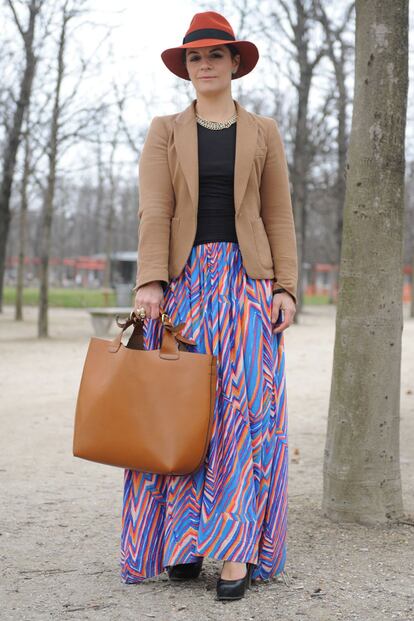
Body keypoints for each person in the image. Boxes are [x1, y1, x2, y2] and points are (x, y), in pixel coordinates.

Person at [120, 10, 298, 601]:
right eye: (195, 57)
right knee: (182, 409)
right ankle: (182, 542)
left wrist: (285, 287)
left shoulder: (264, 131)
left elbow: (278, 215)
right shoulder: (164, 130)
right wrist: (151, 282)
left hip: (248, 286)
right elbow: (155, 210)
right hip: (187, 286)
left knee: (244, 417)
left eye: (215, 55)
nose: (205, 65)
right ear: (186, 68)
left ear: (235, 62)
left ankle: (237, 552)